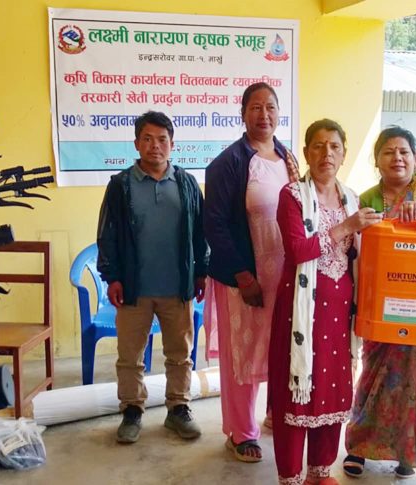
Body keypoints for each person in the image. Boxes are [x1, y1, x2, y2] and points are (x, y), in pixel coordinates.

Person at [267, 119, 382, 485]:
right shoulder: (292, 195)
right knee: (297, 391)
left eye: (334, 146)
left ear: (344, 154)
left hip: (339, 313)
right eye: (318, 146)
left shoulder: (352, 198)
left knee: (331, 389)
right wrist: (346, 227)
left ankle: (320, 471)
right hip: (301, 314)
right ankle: (290, 475)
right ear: (306, 153)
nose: (326, 153)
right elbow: (298, 250)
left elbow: (359, 257)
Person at [343, 126, 416, 479]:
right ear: (377, 160)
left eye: (404, 151)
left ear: (414, 156)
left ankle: (408, 454)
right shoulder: (368, 198)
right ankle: (359, 448)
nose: (397, 158)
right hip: (382, 303)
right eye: (388, 152)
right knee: (373, 378)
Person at [96, 110, 208, 444]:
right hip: (134, 288)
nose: (155, 146)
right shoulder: (121, 186)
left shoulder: (187, 184)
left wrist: (201, 272)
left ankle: (178, 409)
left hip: (177, 287)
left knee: (180, 353)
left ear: (172, 144)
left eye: (162, 139)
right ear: (136, 143)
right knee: (130, 356)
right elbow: (107, 234)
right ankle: (132, 410)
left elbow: (200, 233)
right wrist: (112, 277)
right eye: (147, 139)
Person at [203, 82, 300, 462]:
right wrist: (243, 276)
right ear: (243, 114)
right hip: (245, 278)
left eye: (270, 107)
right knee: (242, 356)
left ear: (279, 113)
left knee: (280, 348)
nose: (264, 115)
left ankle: (276, 413)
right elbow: (215, 225)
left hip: (284, 277)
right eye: (255, 107)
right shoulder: (229, 163)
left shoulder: (288, 158)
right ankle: (241, 433)